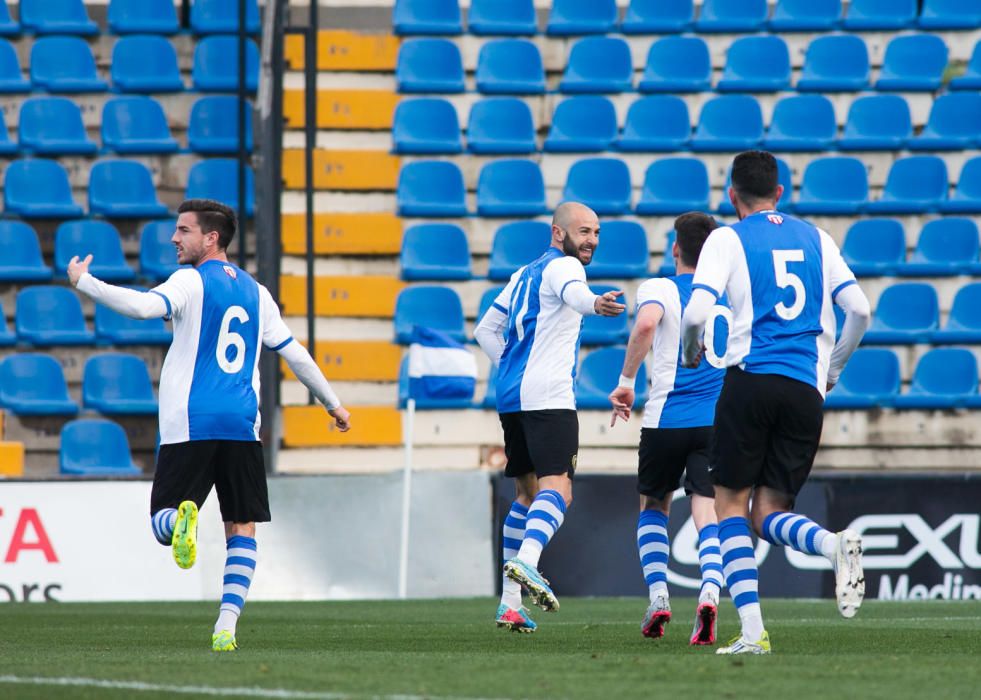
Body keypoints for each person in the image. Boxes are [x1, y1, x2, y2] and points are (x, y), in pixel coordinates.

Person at [68, 198, 351, 652]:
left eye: (184, 230)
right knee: (242, 526)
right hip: (242, 423)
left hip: (191, 420)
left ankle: (179, 521)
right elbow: (293, 353)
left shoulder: (190, 281)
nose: (175, 238)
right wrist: (332, 403)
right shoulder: (257, 292)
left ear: (211, 238)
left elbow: (143, 308)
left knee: (161, 517)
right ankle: (227, 625)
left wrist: (86, 282)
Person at [680, 151, 871, 655]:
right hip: (805, 390)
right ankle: (833, 545)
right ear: (780, 193)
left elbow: (698, 309)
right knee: (769, 512)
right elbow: (860, 308)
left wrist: (690, 349)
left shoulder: (727, 237)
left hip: (751, 379)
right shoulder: (817, 237)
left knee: (729, 506)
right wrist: (831, 370)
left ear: (731, 195)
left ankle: (751, 632)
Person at [474, 202, 626, 633]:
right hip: (549, 397)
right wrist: (595, 303)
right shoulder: (566, 268)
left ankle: (509, 604)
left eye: (596, 232)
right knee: (559, 489)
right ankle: (527, 561)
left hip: (512, 397)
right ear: (558, 234)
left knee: (526, 495)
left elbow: (484, 329)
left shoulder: (523, 273)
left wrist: (507, 367)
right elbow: (575, 295)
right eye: (583, 232)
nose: (591, 240)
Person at [608, 212, 727, 646]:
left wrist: (625, 383)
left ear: (675, 248)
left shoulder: (660, 287)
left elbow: (645, 324)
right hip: (716, 419)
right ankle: (710, 588)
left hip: (665, 418)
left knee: (654, 506)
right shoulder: (726, 292)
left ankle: (659, 596)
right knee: (706, 506)